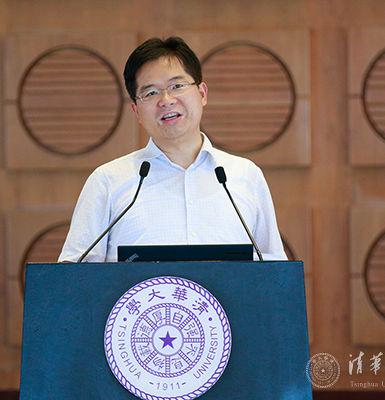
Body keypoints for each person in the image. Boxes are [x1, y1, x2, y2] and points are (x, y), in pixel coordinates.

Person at [58, 37, 286, 262]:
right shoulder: (107, 181)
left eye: (177, 86)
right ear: (136, 111)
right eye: (150, 93)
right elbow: (73, 274)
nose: (166, 100)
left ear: (202, 94)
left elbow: (274, 270)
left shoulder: (245, 176)